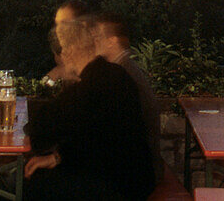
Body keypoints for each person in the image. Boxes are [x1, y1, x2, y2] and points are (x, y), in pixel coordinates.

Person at [23, 18, 154, 201]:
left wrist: (57, 75)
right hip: (131, 176)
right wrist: (59, 157)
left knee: (27, 185)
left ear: (68, 52)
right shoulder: (114, 73)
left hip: (117, 185)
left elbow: (41, 131)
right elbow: (95, 137)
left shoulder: (92, 84)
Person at [90, 11, 164, 185]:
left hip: (135, 174)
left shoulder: (123, 77)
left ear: (111, 41)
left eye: (97, 38)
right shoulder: (122, 69)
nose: (92, 43)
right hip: (135, 165)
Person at [44, 0, 92, 83]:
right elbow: (48, 81)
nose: (58, 29)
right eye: (57, 24)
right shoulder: (60, 50)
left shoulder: (95, 55)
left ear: (83, 24)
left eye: (64, 23)